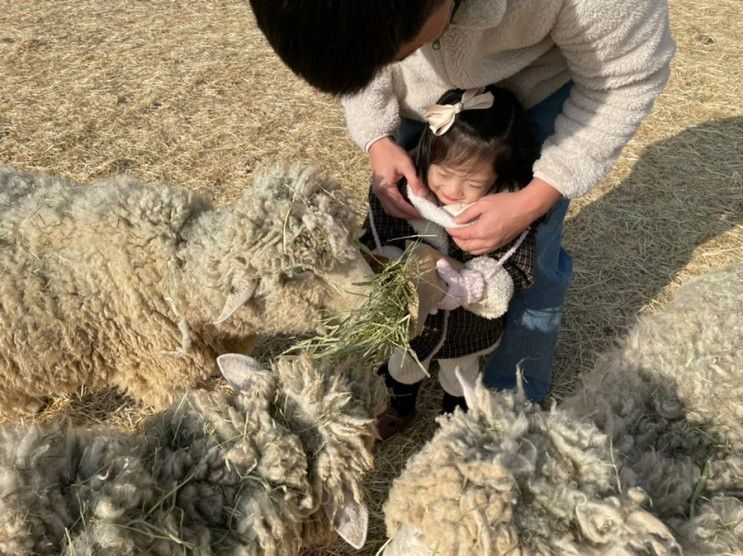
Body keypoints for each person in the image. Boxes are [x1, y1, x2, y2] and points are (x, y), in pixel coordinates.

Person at [249, 0, 675, 401]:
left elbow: (625, 78)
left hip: (538, 87)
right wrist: (377, 137)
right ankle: (413, 353)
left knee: (534, 253)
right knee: (406, 230)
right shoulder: (373, 32)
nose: (388, 64)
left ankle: (512, 392)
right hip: (431, 109)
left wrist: (534, 198)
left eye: (395, 53)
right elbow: (360, 49)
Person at [361, 85, 537, 437]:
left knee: (461, 373)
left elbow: (519, 268)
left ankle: (455, 423)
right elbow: (375, 236)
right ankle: (399, 406)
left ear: (499, 176)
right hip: (413, 320)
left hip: (466, 326)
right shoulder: (402, 194)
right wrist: (391, 266)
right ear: (426, 152)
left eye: (472, 182)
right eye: (442, 172)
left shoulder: (506, 214)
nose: (452, 190)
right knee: (404, 362)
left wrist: (475, 285)